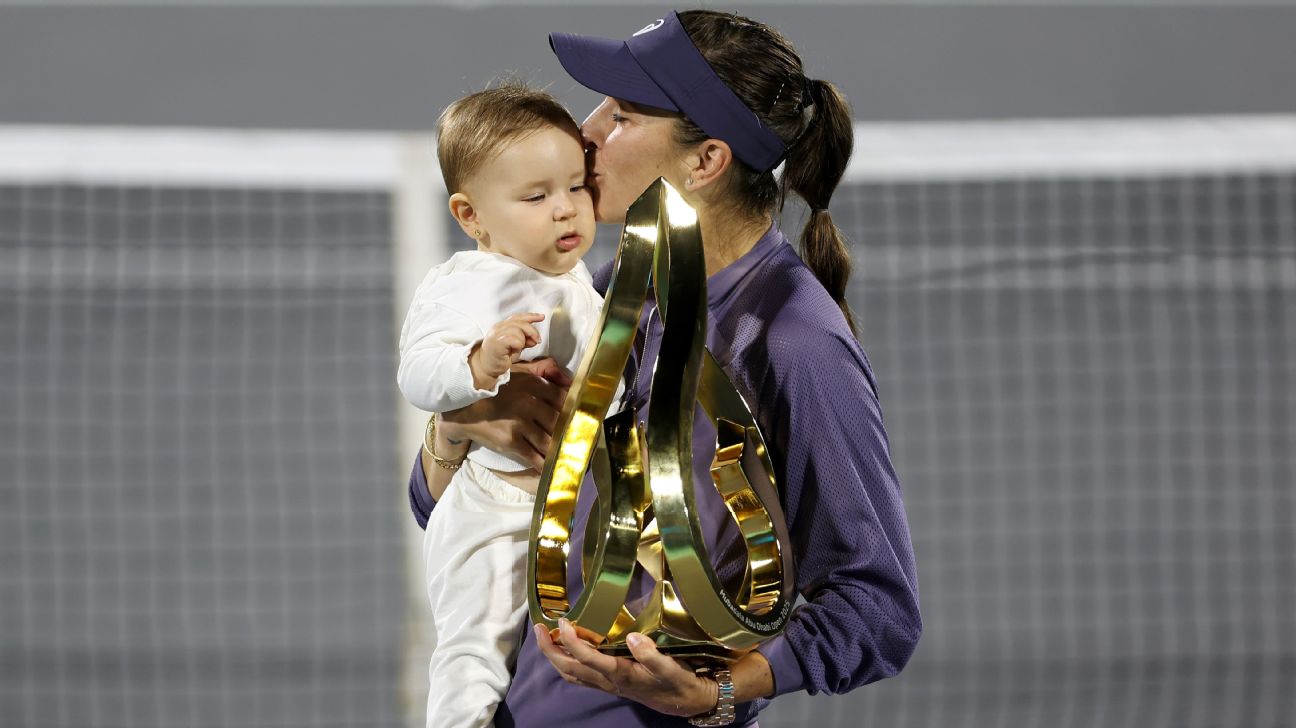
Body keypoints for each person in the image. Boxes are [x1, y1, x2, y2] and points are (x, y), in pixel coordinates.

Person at [410, 9, 922, 727]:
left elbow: (878, 611)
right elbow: (446, 513)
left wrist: (717, 692)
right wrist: (459, 432)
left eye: (621, 115)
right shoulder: (614, 284)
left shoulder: (794, 338)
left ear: (705, 161)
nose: (585, 131)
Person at [397, 83, 618, 728]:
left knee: (534, 658)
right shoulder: (464, 285)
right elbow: (418, 373)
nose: (565, 210)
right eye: (535, 196)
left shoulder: (574, 279)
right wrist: (478, 364)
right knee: (475, 648)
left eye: (576, 186)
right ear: (471, 218)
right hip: (495, 509)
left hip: (570, 509)